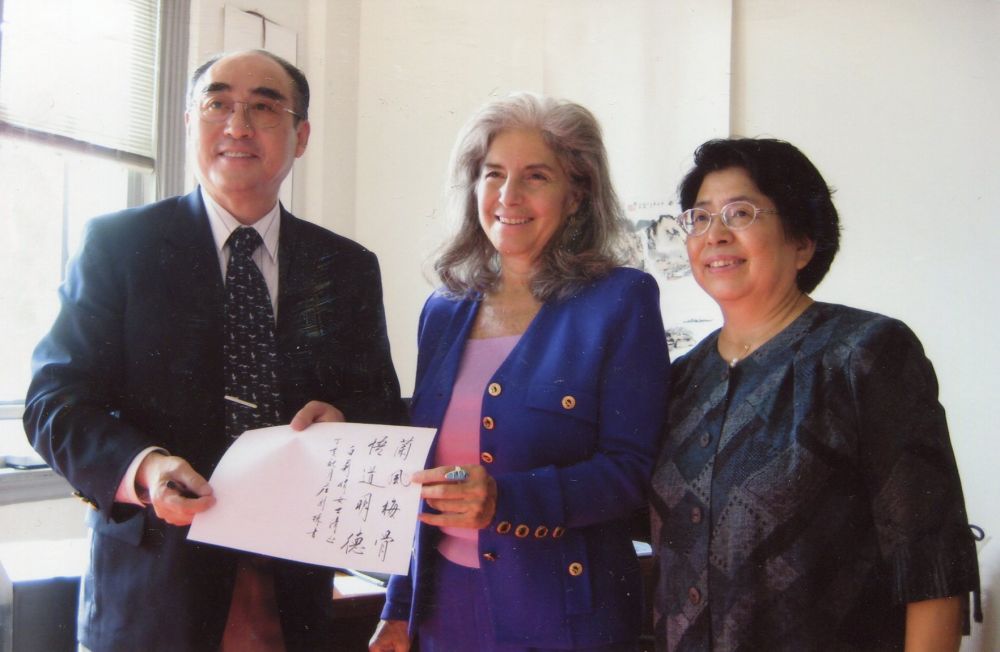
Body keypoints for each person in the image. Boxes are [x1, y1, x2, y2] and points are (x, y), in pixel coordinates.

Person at [24, 50, 405, 651]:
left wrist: (343, 420)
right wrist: (146, 469)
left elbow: (380, 406)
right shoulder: (119, 246)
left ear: (302, 136)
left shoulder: (345, 266)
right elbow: (54, 403)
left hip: (293, 592)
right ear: (189, 124)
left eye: (264, 107)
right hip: (156, 594)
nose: (237, 125)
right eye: (218, 103)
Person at [359, 92, 670, 651]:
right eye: (494, 174)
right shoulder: (443, 310)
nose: (508, 196)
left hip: (565, 616)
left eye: (536, 176)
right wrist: (400, 606)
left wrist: (507, 499)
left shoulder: (621, 300)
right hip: (445, 609)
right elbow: (423, 471)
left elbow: (631, 471)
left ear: (577, 194)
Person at [650, 138, 981, 651]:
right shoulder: (681, 380)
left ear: (802, 242)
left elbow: (930, 560)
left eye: (740, 213)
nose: (715, 234)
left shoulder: (863, 354)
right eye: (700, 217)